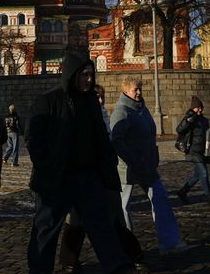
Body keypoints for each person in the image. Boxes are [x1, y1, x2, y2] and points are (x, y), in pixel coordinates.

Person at [26, 50, 134, 274]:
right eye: (84, 74)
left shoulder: (90, 102)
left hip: (88, 176)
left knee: (102, 225)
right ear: (72, 75)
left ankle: (117, 266)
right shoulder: (48, 100)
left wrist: (108, 171)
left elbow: (101, 139)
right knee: (45, 230)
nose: (88, 79)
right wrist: (46, 167)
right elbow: (34, 139)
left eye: (90, 74)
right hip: (56, 179)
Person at [58, 84, 147, 273]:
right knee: (75, 220)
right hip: (82, 172)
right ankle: (68, 261)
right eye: (96, 96)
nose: (99, 100)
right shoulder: (80, 115)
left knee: (114, 217)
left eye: (101, 96)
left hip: (104, 172)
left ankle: (134, 255)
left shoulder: (104, 115)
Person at [111, 76, 187, 254]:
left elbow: (150, 136)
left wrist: (153, 156)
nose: (138, 92)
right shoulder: (121, 111)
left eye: (139, 89)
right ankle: (126, 247)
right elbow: (117, 141)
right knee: (123, 207)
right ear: (125, 91)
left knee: (161, 199)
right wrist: (134, 160)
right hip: (127, 169)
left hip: (147, 166)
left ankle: (169, 242)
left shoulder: (142, 109)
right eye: (134, 89)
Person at [175, 96, 210, 207]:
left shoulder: (204, 120)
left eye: (201, 108)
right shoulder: (189, 118)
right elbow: (179, 130)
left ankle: (182, 192)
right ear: (193, 108)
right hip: (193, 151)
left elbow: (207, 134)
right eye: (197, 108)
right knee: (204, 174)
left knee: (197, 175)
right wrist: (188, 120)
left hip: (203, 151)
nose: (200, 110)